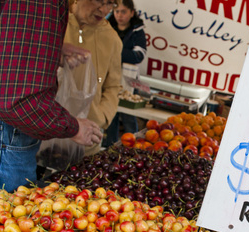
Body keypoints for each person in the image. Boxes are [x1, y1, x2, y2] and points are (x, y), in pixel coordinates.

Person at [0, 0, 103, 193]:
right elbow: (18, 101)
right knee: (12, 212)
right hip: (8, 135)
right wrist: (73, 127)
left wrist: (49, 50)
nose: (103, 8)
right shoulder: (43, 3)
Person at [65, 0, 123, 155]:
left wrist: (102, 117)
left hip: (87, 139)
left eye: (110, 3)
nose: (104, 9)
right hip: (45, 132)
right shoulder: (56, 22)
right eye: (99, 0)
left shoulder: (112, 39)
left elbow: (113, 86)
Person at [104, 0, 147, 147]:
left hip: (128, 80)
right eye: (117, 12)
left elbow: (139, 55)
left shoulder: (137, 30)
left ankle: (133, 148)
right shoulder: (107, 26)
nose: (119, 15)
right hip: (108, 77)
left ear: (131, 13)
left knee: (128, 115)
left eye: (123, 12)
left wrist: (115, 52)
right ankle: (110, 148)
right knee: (111, 114)